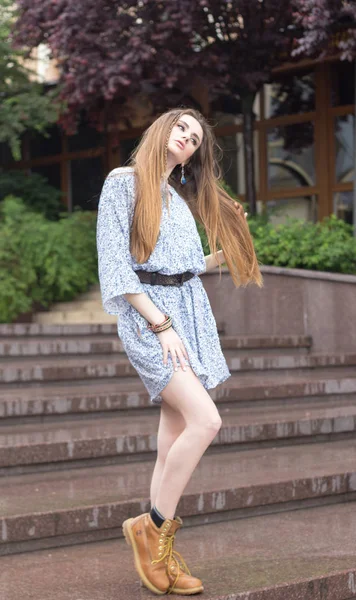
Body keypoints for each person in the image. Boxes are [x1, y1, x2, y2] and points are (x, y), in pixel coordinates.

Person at [96, 107, 262, 595]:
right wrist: (162, 325)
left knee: (172, 434)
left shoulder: (175, 195)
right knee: (206, 420)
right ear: (160, 130)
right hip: (151, 319)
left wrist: (226, 249)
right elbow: (118, 268)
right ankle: (151, 527)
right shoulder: (122, 183)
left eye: (195, 137)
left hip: (185, 315)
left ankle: (158, 558)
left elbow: (184, 268)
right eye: (181, 128)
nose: (187, 138)